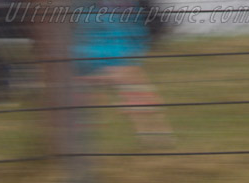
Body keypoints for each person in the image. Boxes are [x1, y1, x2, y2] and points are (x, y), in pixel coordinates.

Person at [72, 0, 173, 144]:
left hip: (107, 55)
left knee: (132, 88)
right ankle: (156, 134)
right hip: (104, 55)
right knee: (80, 92)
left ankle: (156, 134)